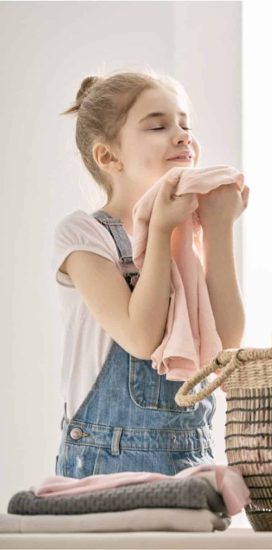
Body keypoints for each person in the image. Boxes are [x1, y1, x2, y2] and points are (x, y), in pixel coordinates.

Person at [53, 71, 248, 478]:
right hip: (106, 460)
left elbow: (224, 345)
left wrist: (218, 229)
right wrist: (159, 230)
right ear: (109, 157)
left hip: (192, 457)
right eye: (158, 126)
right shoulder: (84, 235)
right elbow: (142, 338)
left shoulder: (185, 237)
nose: (181, 136)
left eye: (184, 124)